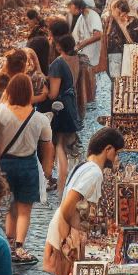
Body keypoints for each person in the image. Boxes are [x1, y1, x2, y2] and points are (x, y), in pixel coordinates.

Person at [44, 127, 125, 275]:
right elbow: (68, 206)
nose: (117, 159)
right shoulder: (94, 173)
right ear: (108, 149)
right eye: (117, 153)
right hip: (66, 229)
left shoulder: (85, 165)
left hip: (63, 226)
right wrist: (77, 232)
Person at [0, 74, 52, 262]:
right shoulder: (40, 119)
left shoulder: (2, 112)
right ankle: (20, 248)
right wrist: (47, 172)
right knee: (24, 210)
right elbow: (47, 147)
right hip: (27, 165)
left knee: (9, 207)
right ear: (31, 91)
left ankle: (8, 243)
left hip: (5, 164)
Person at [47, 25, 82, 194]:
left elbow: (53, 94)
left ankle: (62, 184)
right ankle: (64, 183)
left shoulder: (57, 64)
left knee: (59, 144)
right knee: (66, 145)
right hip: (71, 105)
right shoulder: (75, 59)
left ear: (59, 46)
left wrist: (43, 91)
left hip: (60, 108)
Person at [104, 0, 138, 80]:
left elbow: (132, 41)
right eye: (117, 12)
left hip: (129, 53)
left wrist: (122, 24)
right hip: (114, 52)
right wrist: (113, 21)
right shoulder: (110, 20)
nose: (119, 15)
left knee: (128, 78)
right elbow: (107, 36)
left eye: (121, 12)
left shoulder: (133, 20)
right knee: (115, 78)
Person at [68, 0, 103, 73]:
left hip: (92, 52)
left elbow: (98, 35)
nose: (70, 10)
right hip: (85, 51)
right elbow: (76, 34)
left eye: (72, 8)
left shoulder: (93, 16)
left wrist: (83, 43)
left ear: (79, 9)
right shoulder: (82, 16)